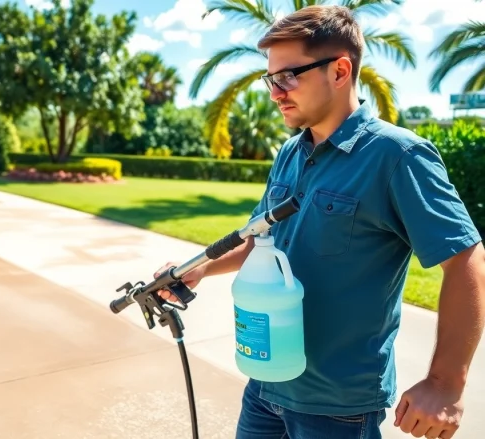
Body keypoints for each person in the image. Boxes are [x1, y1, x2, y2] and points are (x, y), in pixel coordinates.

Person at [155, 5, 485, 439]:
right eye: (270, 80)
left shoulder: (397, 156)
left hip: (337, 407)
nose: (275, 93)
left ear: (340, 71)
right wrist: (196, 268)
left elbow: (466, 260)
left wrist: (445, 384)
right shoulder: (290, 153)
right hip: (265, 384)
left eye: (287, 77)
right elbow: (260, 239)